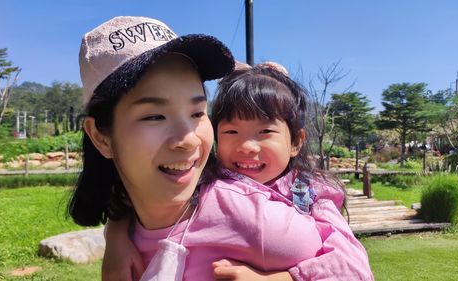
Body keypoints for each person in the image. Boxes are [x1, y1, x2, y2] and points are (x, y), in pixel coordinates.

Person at [70, 16, 372, 281]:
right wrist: (117, 232)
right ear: (101, 137)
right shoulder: (133, 210)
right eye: (154, 116)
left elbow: (354, 269)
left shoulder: (269, 217)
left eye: (197, 113)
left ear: (296, 142)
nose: (188, 139)